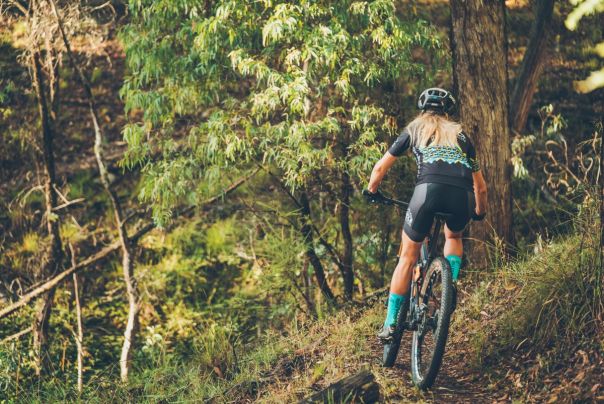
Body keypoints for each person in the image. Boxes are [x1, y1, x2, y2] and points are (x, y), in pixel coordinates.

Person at [363, 87, 488, 341]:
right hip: (462, 197)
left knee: (408, 258)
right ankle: (449, 288)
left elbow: (379, 169)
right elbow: (481, 187)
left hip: (427, 193)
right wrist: (478, 212)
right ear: (447, 112)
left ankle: (389, 324)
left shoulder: (413, 130)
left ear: (423, 109)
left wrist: (372, 190)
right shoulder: (462, 137)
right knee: (453, 238)